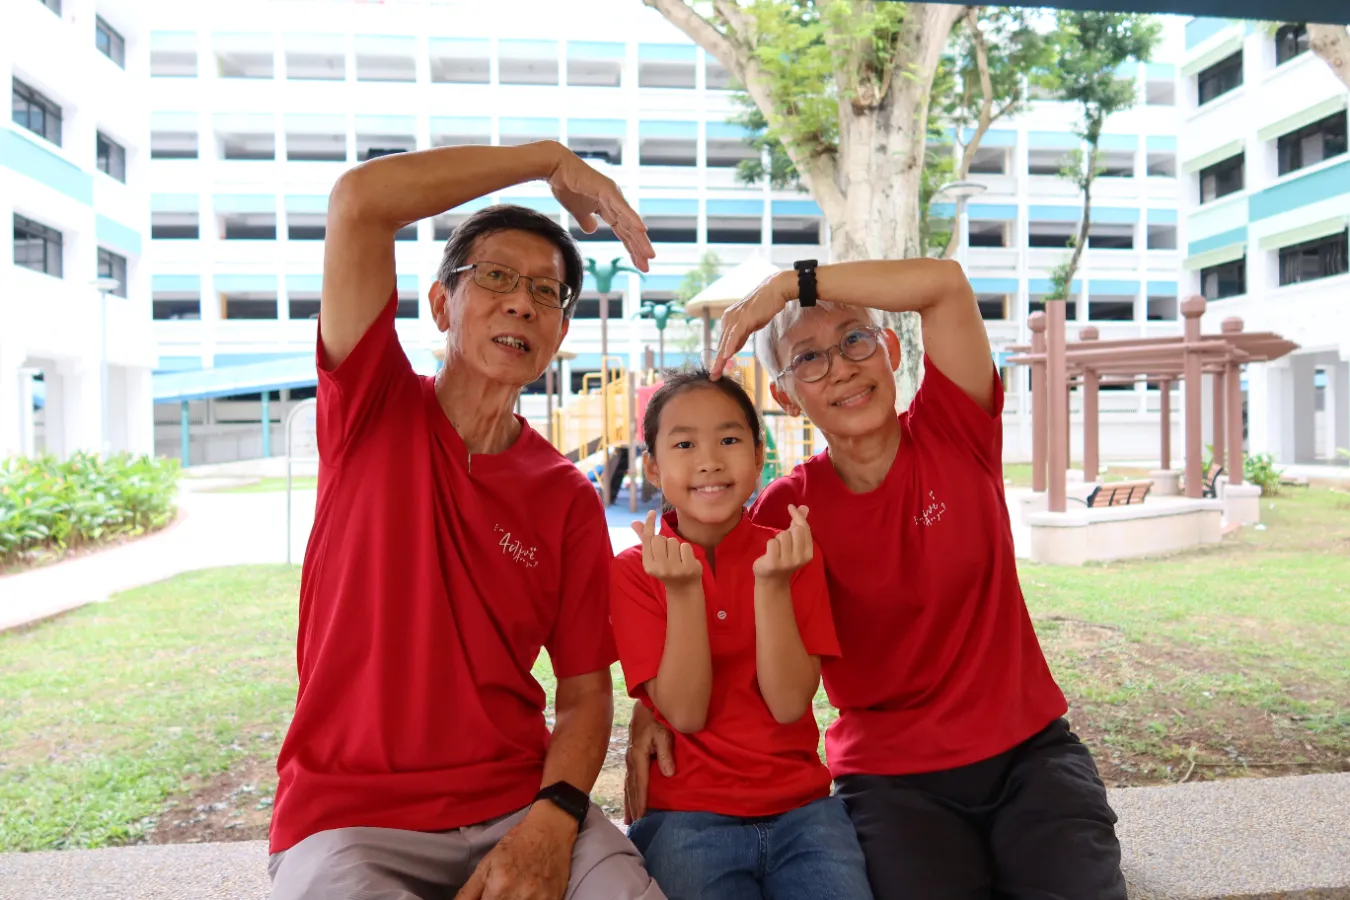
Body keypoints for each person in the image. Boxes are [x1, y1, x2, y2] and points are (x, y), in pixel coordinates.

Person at [626, 259, 1127, 900]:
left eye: (855, 340)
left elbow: (944, 284)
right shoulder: (786, 510)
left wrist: (790, 286)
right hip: (891, 778)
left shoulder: (954, 429)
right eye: (807, 358)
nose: (839, 366)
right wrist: (650, 708)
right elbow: (702, 573)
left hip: (1029, 753)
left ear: (889, 350)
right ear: (784, 395)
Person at [266, 140, 666, 900]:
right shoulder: (370, 404)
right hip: (350, 818)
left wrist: (552, 822)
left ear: (557, 336)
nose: (522, 301)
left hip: (521, 803)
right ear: (442, 303)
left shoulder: (566, 497)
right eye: (496, 278)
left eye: (547, 293)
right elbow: (359, 203)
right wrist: (549, 160)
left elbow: (584, 694)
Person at [611, 370, 873, 900]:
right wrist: (685, 592)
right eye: (685, 444)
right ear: (655, 468)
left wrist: (771, 586)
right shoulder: (635, 572)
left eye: (729, 440)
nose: (709, 460)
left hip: (803, 811)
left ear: (757, 456)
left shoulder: (790, 554)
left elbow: (789, 703)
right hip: (687, 817)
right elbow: (684, 713)